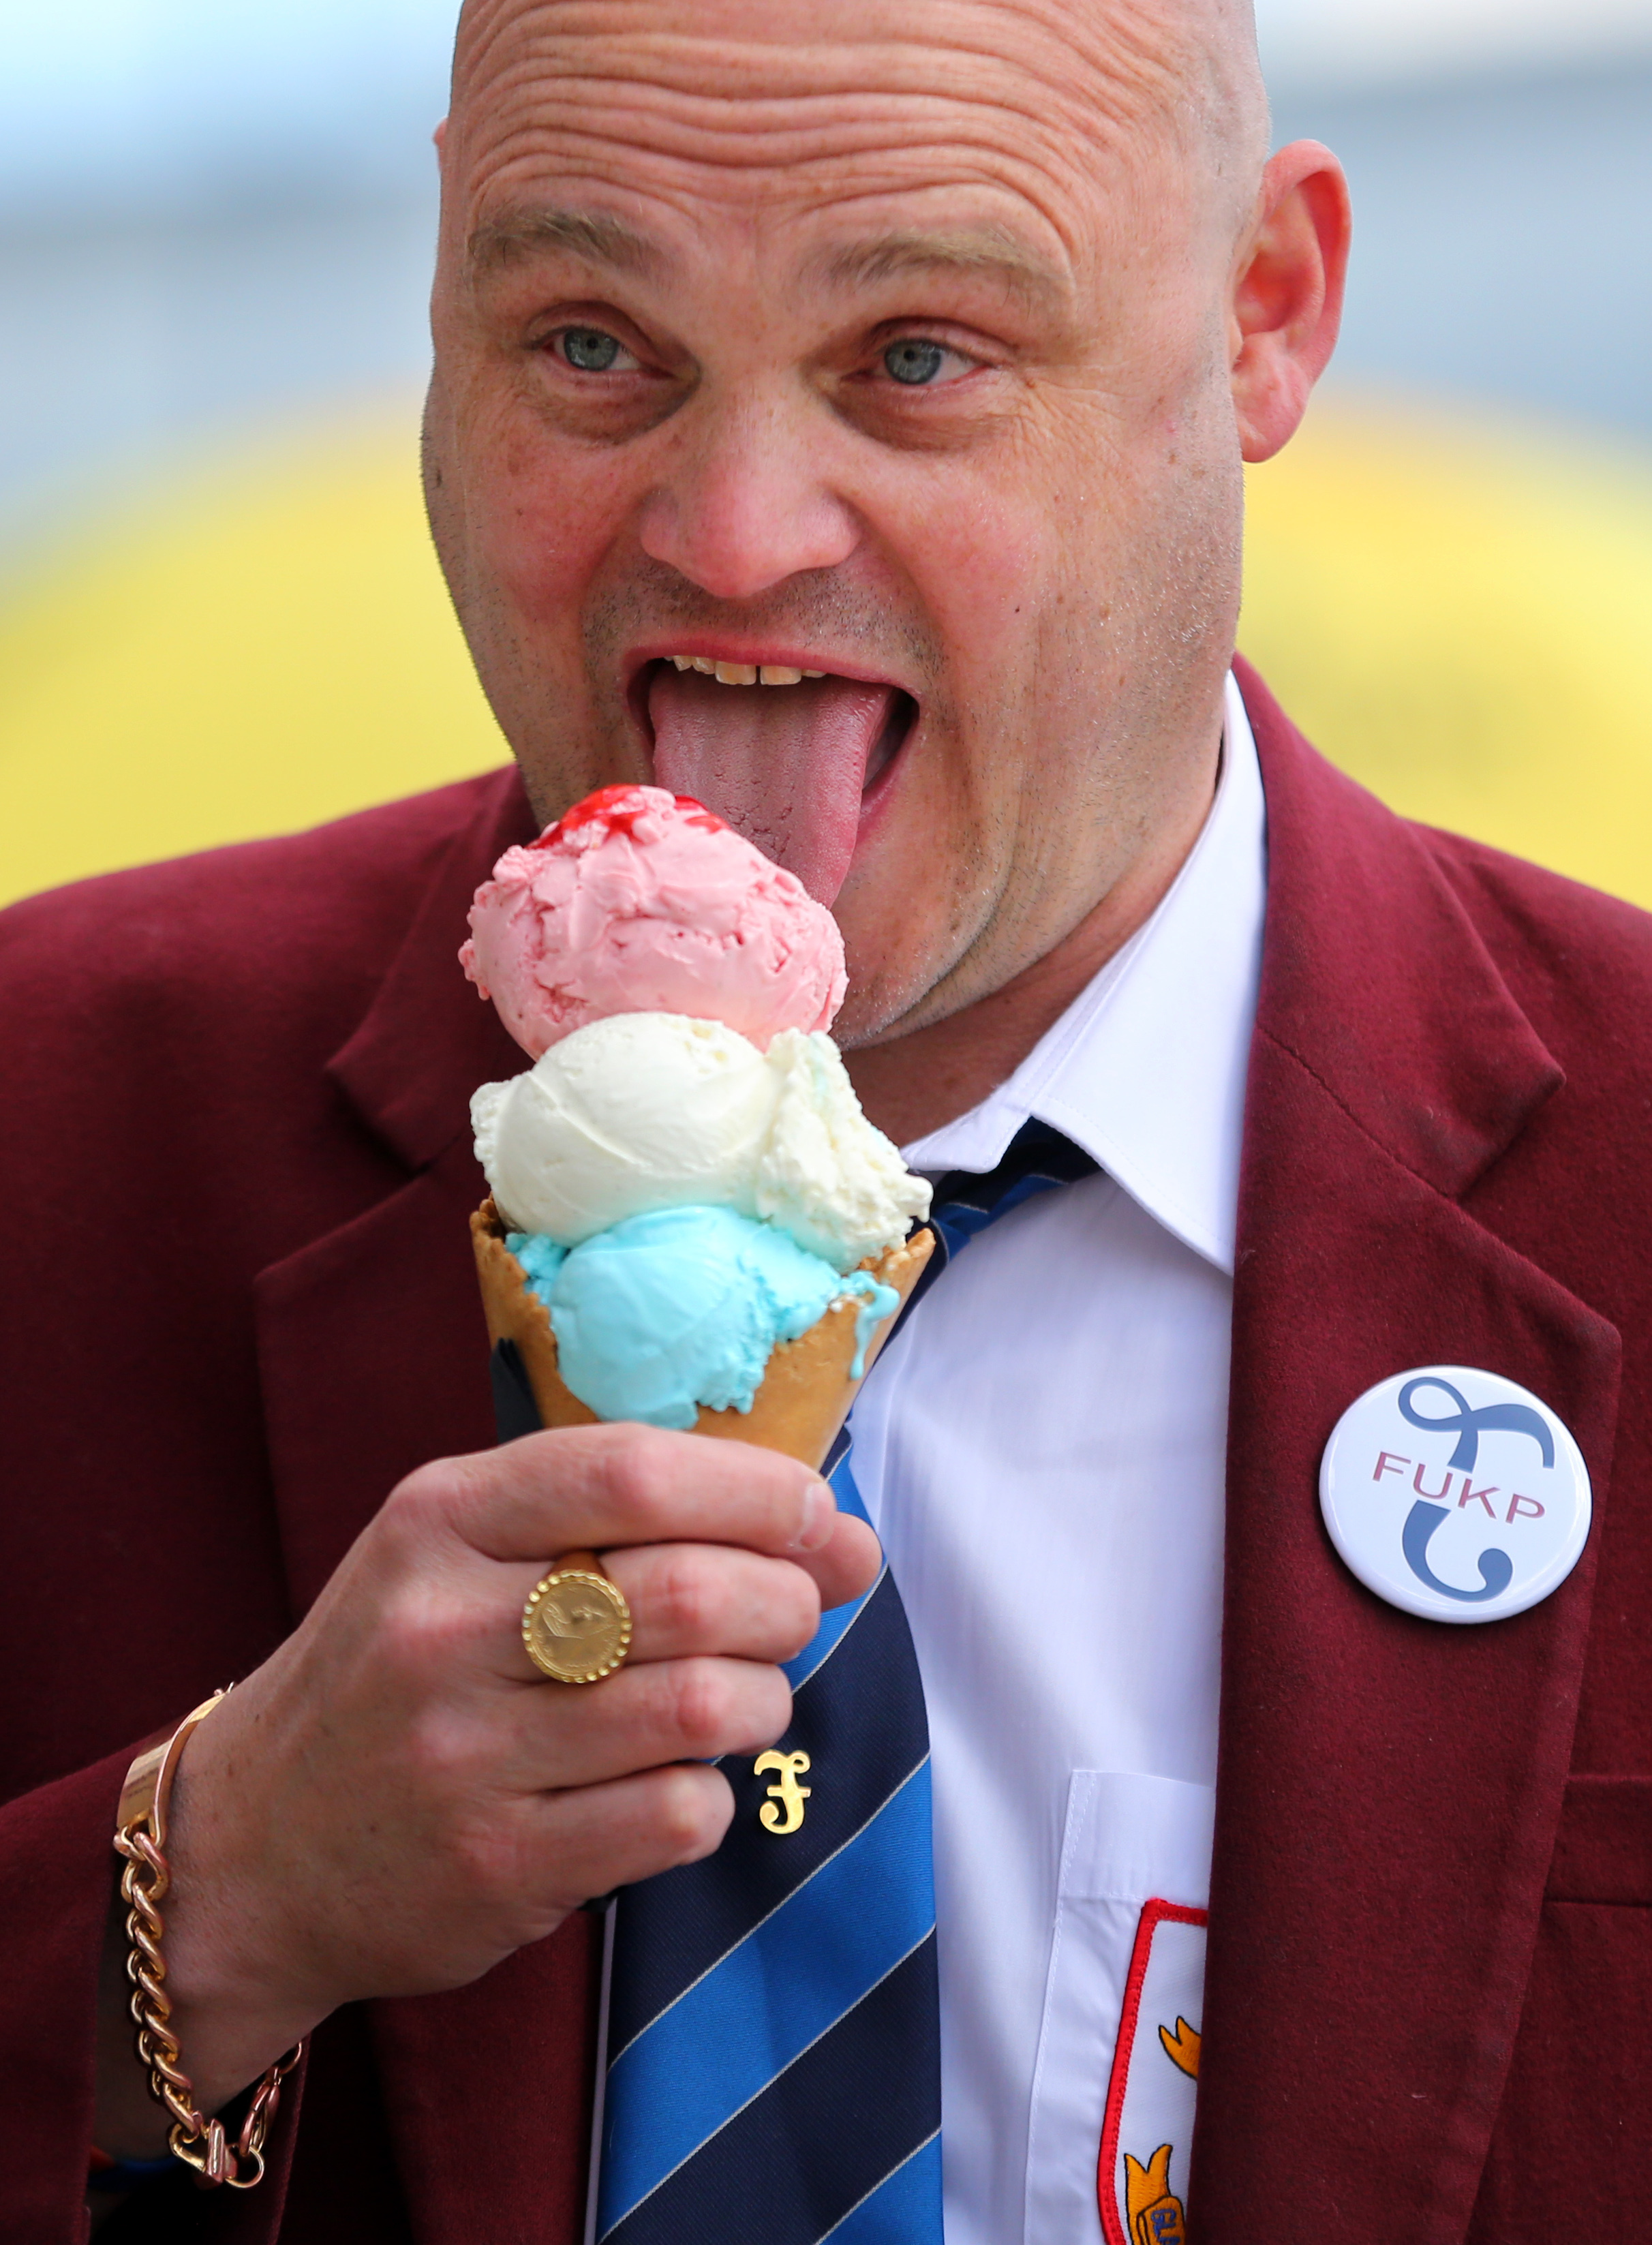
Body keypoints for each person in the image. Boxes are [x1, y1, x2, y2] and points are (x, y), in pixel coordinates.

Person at [2, 1, 1647, 2240]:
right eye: (592, 343)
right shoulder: (53, 1118)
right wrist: (207, 1899)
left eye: (918, 353)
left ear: (1265, 314)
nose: (739, 536)